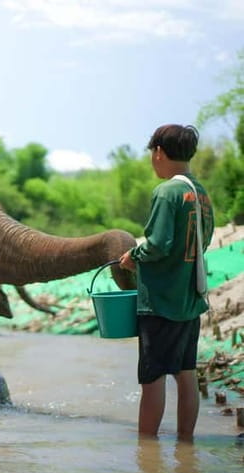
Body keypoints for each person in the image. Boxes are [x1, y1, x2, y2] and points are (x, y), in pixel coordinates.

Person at [119, 124, 214, 441]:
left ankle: (147, 452)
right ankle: (186, 444)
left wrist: (134, 255)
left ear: (158, 152)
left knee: (153, 378)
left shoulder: (166, 192)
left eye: (151, 154)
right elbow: (204, 240)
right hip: (189, 300)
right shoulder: (201, 193)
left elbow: (158, 244)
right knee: (186, 375)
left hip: (161, 302)